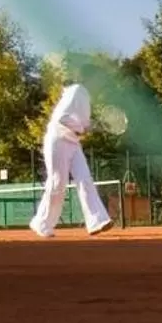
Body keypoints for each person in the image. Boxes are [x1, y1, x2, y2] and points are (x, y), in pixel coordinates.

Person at [30, 81, 113, 239]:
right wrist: (82, 129)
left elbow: (82, 126)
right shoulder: (78, 90)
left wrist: (92, 127)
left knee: (85, 179)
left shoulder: (84, 97)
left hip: (73, 143)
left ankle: (96, 221)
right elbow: (62, 118)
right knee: (57, 182)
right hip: (58, 140)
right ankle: (41, 223)